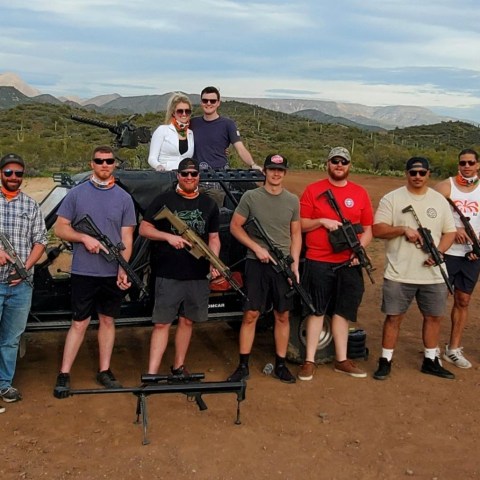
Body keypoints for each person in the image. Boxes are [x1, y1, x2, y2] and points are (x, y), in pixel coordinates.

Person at [53, 146, 136, 397]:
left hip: (111, 272)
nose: (104, 164)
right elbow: (60, 228)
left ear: (114, 165)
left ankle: (105, 370)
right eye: (99, 161)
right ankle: (64, 373)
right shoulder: (76, 195)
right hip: (84, 271)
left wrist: (123, 267)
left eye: (109, 161)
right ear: (92, 164)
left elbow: (127, 238)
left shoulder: (124, 198)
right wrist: (83, 238)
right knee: (79, 322)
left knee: (108, 321)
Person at [372, 157, 457, 381]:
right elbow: (378, 229)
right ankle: (385, 360)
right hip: (400, 272)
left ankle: (431, 360)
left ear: (429, 174)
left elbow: (450, 232)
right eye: (413, 173)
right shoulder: (392, 198)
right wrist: (403, 230)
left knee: (433, 317)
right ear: (406, 173)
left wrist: (439, 252)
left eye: (422, 173)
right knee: (393, 317)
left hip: (433, 274)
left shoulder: (439, 200)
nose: (417, 177)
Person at [139, 158, 220, 376]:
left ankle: (178, 367)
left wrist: (215, 261)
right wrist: (167, 237)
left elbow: (214, 237)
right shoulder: (163, 200)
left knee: (187, 321)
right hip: (168, 272)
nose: (189, 178)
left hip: (196, 273)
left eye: (193, 174)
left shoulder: (208, 204)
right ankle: (152, 374)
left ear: (198, 177)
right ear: (178, 176)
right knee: (162, 323)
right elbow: (145, 229)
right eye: (185, 174)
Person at [297, 147, 373, 381]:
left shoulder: (359, 193)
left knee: (343, 312)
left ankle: (342, 360)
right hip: (318, 260)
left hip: (348, 263)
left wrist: (358, 251)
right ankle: (309, 360)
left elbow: (368, 228)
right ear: (327, 163)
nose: (339, 165)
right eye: (335, 161)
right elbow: (300, 223)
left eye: (344, 162)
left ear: (350, 165)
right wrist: (321, 221)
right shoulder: (313, 190)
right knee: (316, 310)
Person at [226, 154, 301, 384]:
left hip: (282, 265)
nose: (276, 174)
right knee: (251, 314)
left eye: (280, 170)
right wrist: (255, 248)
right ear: (265, 172)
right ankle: (243, 365)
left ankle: (281, 364)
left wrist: (294, 263)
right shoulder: (251, 197)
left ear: (284, 173)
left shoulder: (292, 200)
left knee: (282, 314)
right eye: (271, 169)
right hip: (256, 263)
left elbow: (295, 233)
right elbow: (235, 227)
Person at [0, 153, 47, 404]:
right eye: (9, 172)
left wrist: (25, 267)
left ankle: (4, 385)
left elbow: (41, 240)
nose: (14, 177)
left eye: (18, 173)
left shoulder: (30, 205)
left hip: (20, 285)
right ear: (1, 174)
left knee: (11, 339)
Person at [434, 148, 480, 369]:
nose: (467, 166)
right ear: (458, 165)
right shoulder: (445, 187)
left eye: (471, 162)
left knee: (463, 300)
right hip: (448, 252)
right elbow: (430, 214)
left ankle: (453, 348)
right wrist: (453, 229)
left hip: (472, 254)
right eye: (463, 163)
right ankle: (430, 347)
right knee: (437, 299)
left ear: (478, 165)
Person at [189, 86, 261, 170]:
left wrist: (252, 164)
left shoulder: (228, 124)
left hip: (221, 175)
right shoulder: (192, 123)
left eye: (213, 101)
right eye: (205, 101)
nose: (208, 103)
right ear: (201, 102)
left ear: (218, 103)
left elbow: (240, 148)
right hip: (197, 176)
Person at [147, 92, 194, 171]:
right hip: (165, 176)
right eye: (180, 111)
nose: (184, 114)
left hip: (184, 177)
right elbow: (152, 158)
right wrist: (158, 166)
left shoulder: (190, 133)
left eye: (187, 111)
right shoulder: (162, 130)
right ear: (173, 112)